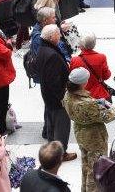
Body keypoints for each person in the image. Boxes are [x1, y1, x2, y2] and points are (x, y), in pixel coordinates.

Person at [64, 67, 115, 192]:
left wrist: (96, 103)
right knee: (97, 169)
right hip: (94, 136)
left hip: (80, 131)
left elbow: (85, 107)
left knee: (85, 165)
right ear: (83, 83)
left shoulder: (67, 95)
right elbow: (106, 116)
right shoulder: (87, 103)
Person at [37, 24, 76, 158]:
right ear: (52, 37)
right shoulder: (51, 54)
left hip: (48, 95)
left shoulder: (43, 48)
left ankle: (52, 149)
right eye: (58, 34)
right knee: (61, 126)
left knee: (51, 123)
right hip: (57, 97)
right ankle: (60, 153)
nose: (60, 36)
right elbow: (54, 80)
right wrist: (62, 98)